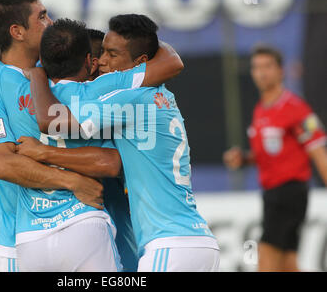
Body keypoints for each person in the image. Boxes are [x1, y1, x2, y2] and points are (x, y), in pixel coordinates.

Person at [24, 14, 220, 272]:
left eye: (112, 54)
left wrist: (38, 73)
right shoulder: (160, 94)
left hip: (169, 246)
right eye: (102, 50)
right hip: (198, 241)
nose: (101, 61)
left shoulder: (126, 98)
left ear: (139, 63)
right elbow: (169, 58)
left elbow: (52, 121)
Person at [0, 0, 105, 272]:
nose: (50, 22)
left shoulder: (55, 71)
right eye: (42, 17)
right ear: (17, 31)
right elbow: (4, 164)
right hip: (14, 244)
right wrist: (73, 182)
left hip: (78, 223)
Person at [223, 45, 327, 272]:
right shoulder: (261, 110)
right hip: (273, 194)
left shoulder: (295, 108)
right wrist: (244, 159)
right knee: (288, 263)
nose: (261, 72)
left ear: (281, 71)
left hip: (289, 192)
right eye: (256, 67)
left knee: (266, 258)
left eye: (267, 66)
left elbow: (318, 152)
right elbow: (266, 155)